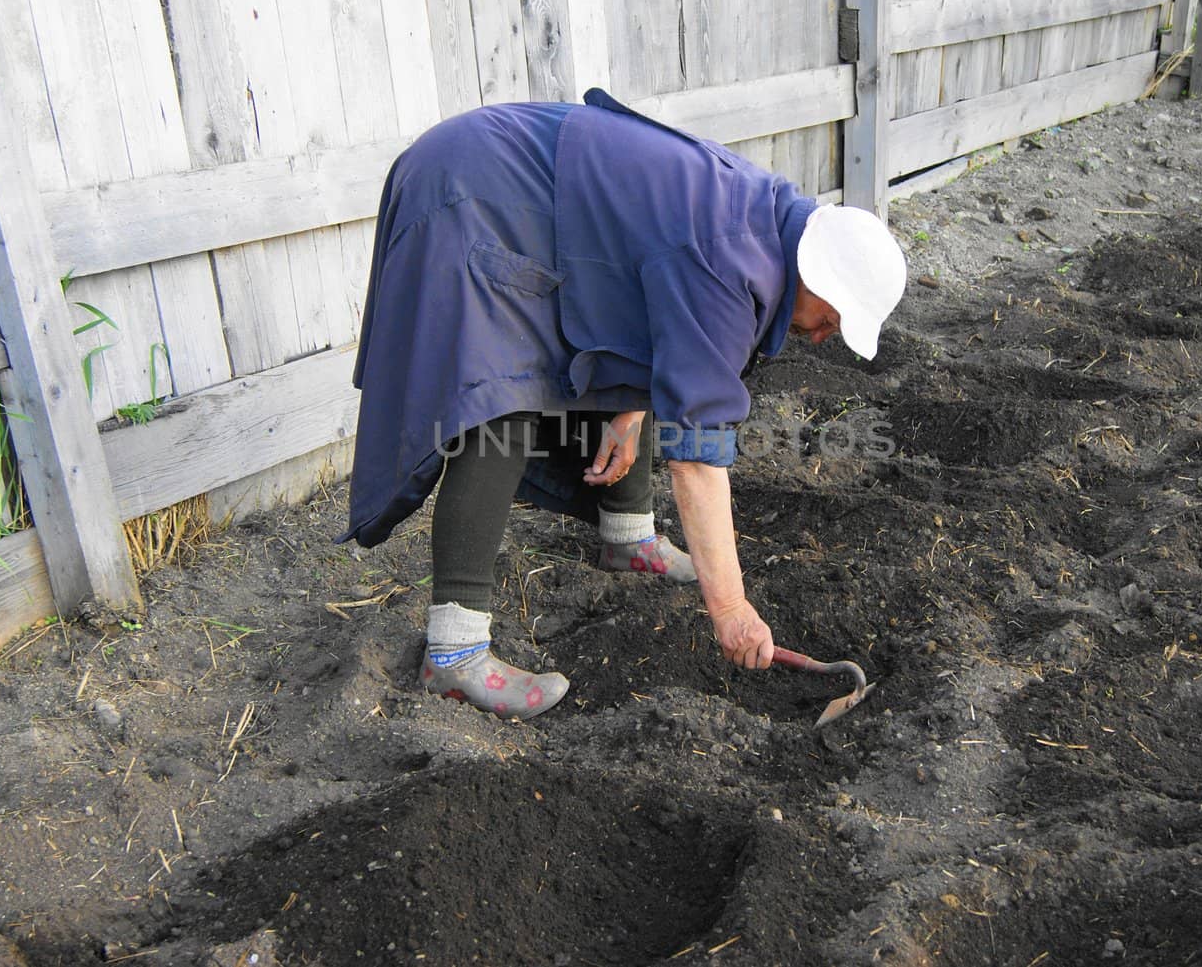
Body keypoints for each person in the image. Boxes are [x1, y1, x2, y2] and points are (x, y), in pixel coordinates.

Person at [342, 89, 906, 719]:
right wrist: (731, 608)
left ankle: (627, 538)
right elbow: (696, 458)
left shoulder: (764, 227)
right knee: (503, 393)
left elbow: (646, 297)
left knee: (588, 371)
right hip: (475, 189)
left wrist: (629, 412)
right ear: (816, 277)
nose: (825, 335)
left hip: (535, 197)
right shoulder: (730, 261)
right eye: (831, 318)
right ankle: (452, 656)